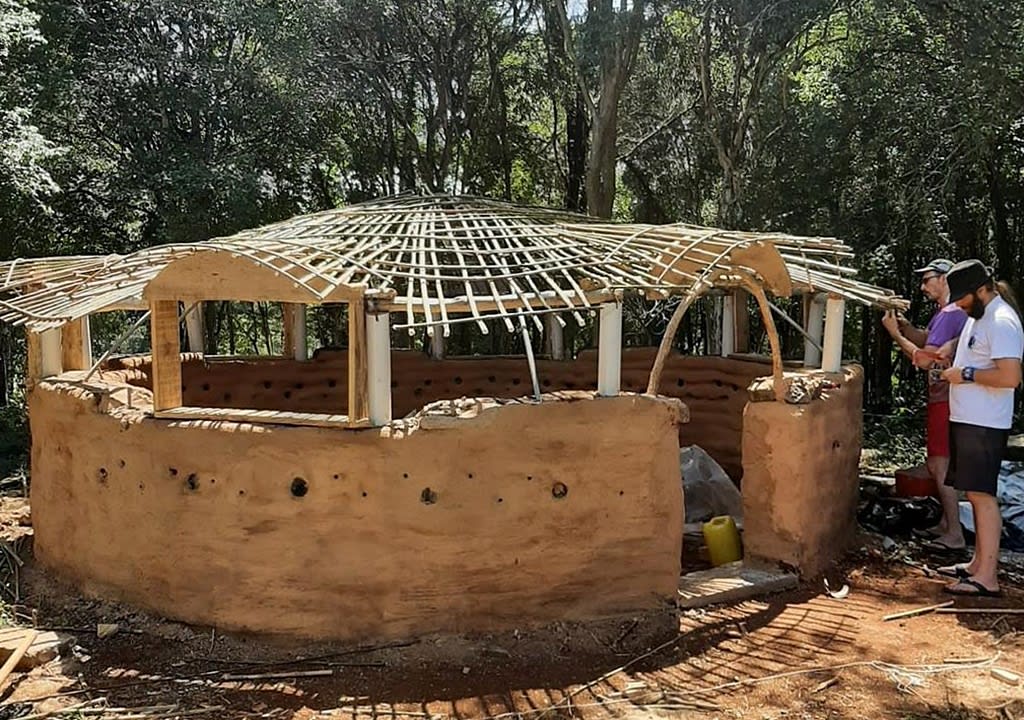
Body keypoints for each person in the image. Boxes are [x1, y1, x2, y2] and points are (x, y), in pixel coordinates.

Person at [939, 259, 1023, 597]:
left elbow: (1009, 377)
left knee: (983, 496)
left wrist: (966, 375)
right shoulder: (981, 317)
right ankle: (977, 564)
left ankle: (987, 576)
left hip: (985, 423)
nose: (959, 304)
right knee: (973, 493)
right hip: (968, 419)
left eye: (962, 298)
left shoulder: (1002, 321)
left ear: (981, 290)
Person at [882, 258, 968, 550]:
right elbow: (929, 340)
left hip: (945, 398)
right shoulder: (947, 313)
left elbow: (924, 359)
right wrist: (906, 328)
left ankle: (954, 532)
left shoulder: (949, 314)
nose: (922, 286)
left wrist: (895, 335)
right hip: (951, 397)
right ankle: (947, 522)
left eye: (927, 279)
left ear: (945, 279)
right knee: (941, 462)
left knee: (939, 463)